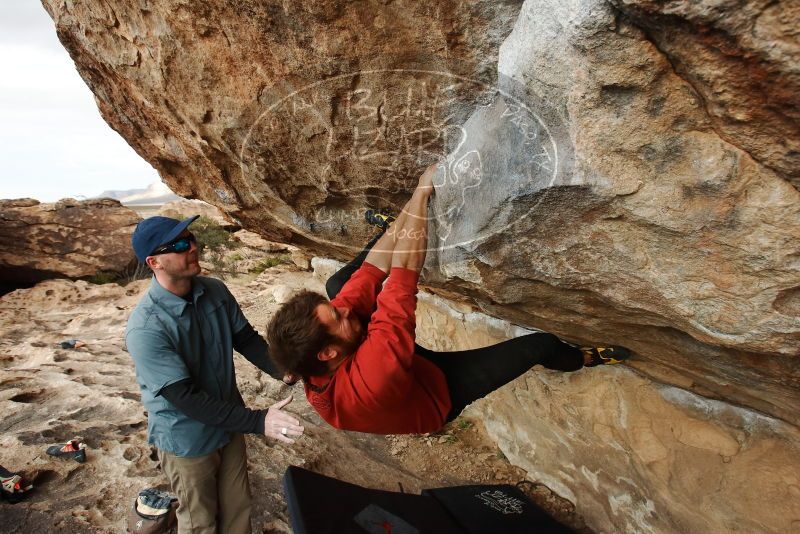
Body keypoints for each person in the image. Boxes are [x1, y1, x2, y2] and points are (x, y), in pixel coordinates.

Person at [267, 163, 630, 434]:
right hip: (437, 395)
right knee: (540, 345)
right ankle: (581, 359)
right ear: (328, 353)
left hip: (390, 367)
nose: (346, 308)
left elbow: (377, 263)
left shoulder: (336, 340)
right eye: (338, 317)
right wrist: (422, 196)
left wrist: (415, 196)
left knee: (345, 285)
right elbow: (405, 269)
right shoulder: (374, 374)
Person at [125, 215, 304, 534]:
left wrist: (284, 370)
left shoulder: (215, 291)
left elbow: (246, 339)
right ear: (155, 262)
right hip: (187, 438)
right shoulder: (146, 327)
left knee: (238, 511)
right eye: (178, 244)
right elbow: (185, 399)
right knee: (200, 523)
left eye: (191, 237)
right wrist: (259, 421)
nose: (192, 247)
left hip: (228, 424)